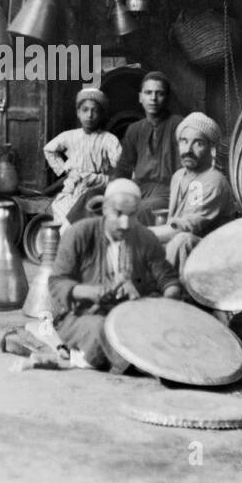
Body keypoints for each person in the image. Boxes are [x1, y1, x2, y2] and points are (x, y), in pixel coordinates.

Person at [46, 179, 182, 370]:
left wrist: (159, 302)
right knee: (102, 329)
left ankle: (147, 360)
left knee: (162, 329)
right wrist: (90, 292)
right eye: (117, 214)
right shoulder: (79, 234)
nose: (125, 223)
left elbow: (168, 281)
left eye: (132, 215)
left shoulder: (146, 238)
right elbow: (56, 282)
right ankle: (142, 367)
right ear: (104, 209)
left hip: (131, 315)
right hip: (83, 316)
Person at [150, 112, 234, 274]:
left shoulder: (213, 180)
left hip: (213, 256)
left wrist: (141, 234)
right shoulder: (179, 176)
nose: (188, 150)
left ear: (212, 149)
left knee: (182, 240)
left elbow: (185, 229)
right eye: (184, 141)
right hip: (181, 246)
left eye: (198, 143)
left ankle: (173, 292)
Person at [42, 87, 123, 226]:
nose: (89, 115)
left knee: (88, 217)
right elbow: (49, 149)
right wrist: (64, 170)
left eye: (95, 111)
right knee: (60, 212)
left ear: (101, 114)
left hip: (96, 188)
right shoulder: (70, 136)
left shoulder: (108, 140)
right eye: (85, 110)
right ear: (78, 113)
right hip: (72, 188)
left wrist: (104, 180)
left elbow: (123, 168)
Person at [112, 71, 183, 224]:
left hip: (167, 191)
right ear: (140, 97)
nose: (153, 98)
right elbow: (123, 168)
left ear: (167, 98)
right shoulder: (134, 129)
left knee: (140, 210)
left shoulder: (178, 125)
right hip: (139, 188)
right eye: (148, 92)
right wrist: (112, 190)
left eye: (159, 93)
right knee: (94, 200)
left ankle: (128, 246)